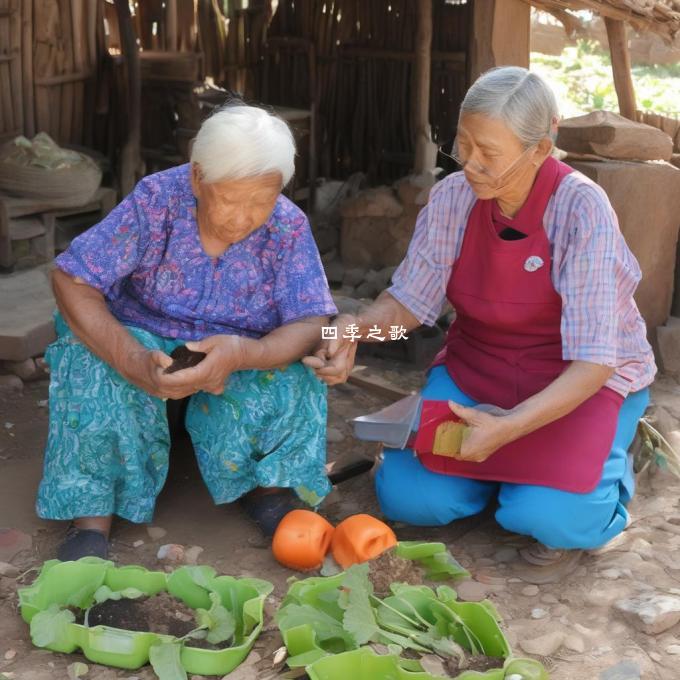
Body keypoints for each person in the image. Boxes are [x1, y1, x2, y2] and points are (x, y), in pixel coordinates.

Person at [305, 67, 656, 569]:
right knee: (411, 501)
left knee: (556, 520)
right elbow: (407, 308)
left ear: (541, 145)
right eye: (462, 145)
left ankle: (606, 464)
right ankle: (510, 475)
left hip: (578, 382)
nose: (469, 164)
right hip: (479, 370)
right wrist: (357, 329)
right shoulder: (452, 199)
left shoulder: (582, 209)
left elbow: (594, 363)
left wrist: (509, 427)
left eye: (489, 153)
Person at [37, 103, 337, 560]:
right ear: (198, 178)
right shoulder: (157, 200)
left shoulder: (287, 225)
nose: (243, 219)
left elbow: (311, 320)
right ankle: (91, 517)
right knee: (89, 363)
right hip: (145, 335)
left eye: (260, 202)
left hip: (237, 349)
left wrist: (244, 353)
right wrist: (133, 361)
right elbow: (72, 279)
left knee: (294, 373)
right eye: (231, 200)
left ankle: (268, 490)